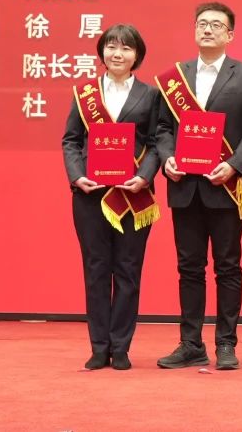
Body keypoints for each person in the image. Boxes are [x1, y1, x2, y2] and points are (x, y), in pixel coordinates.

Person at [154, 2, 242, 371]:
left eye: (216, 25)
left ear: (229, 34)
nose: (207, 29)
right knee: (189, 267)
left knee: (228, 267)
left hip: (226, 188)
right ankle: (190, 343)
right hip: (184, 186)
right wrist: (167, 158)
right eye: (202, 23)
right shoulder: (175, 78)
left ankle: (225, 343)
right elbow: (162, 130)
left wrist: (233, 166)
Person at [61, 24, 161, 371]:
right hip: (90, 195)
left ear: (137, 55)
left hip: (133, 195)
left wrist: (144, 175)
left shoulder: (150, 95)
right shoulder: (84, 93)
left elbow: (157, 142)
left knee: (128, 271)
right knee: (96, 270)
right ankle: (98, 347)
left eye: (126, 48)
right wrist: (77, 175)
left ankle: (121, 347)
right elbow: (71, 140)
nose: (117, 54)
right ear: (102, 51)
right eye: (111, 46)